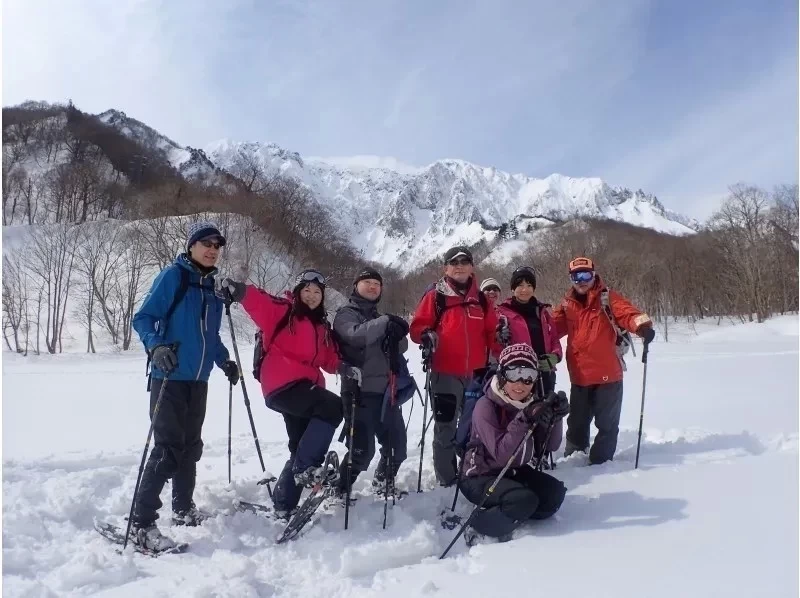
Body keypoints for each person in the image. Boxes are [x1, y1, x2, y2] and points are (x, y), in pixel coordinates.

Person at [130, 221, 240, 551]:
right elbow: (143, 318)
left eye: (217, 245)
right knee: (167, 450)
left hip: (198, 380)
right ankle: (141, 523)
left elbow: (210, 337)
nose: (211, 249)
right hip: (169, 377)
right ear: (191, 246)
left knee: (190, 447)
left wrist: (224, 361)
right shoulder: (173, 277)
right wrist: (156, 346)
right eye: (205, 243)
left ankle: (183, 509)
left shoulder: (211, 290)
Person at [219, 269, 350, 516]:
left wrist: (343, 366)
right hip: (282, 385)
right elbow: (260, 302)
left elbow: (328, 359)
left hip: (306, 390)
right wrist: (239, 290)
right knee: (333, 407)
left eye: (317, 292)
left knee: (300, 446)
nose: (311, 296)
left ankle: (284, 504)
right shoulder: (284, 310)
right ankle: (306, 468)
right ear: (298, 292)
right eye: (307, 291)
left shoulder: (322, 326)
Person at [460, 343, 568, 546]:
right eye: (514, 373)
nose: (521, 382)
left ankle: (510, 512)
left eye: (528, 374)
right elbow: (501, 455)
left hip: (512, 471)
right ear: (502, 375)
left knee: (553, 495)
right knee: (523, 501)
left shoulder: (530, 403)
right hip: (478, 476)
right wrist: (524, 419)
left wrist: (555, 417)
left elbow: (550, 446)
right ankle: (476, 524)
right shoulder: (485, 406)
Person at [410, 246, 500, 487]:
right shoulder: (436, 297)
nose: (459, 265)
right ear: (446, 268)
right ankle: (447, 478)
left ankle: (472, 467)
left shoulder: (480, 299)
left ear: (472, 266)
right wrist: (426, 334)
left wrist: (505, 351)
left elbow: (492, 333)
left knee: (475, 425)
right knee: (446, 427)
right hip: (445, 374)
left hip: (477, 375)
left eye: (464, 261)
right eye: (453, 262)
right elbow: (417, 329)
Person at [552, 257, 655, 465]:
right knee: (577, 422)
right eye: (576, 276)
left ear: (593, 275)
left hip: (608, 374)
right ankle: (574, 459)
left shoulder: (608, 298)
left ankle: (601, 462)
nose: (581, 281)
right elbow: (551, 328)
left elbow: (629, 314)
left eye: (585, 275)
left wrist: (642, 327)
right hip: (580, 374)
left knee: (606, 423)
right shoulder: (567, 304)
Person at [333, 267, 415, 498]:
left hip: (386, 393)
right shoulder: (345, 314)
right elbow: (354, 335)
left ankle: (383, 483)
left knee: (397, 448)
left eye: (376, 284)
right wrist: (387, 323)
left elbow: (399, 348)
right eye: (367, 282)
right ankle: (339, 492)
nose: (372, 286)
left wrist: (396, 335)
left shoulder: (378, 318)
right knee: (361, 452)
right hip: (358, 392)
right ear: (356, 286)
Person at [495, 266, 564, 461]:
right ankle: (524, 452)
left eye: (528, 285)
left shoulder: (543, 311)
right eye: (519, 285)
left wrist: (555, 357)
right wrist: (499, 337)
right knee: (524, 413)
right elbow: (495, 346)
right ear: (512, 288)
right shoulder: (503, 313)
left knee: (547, 410)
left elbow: (554, 339)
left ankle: (543, 451)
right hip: (520, 374)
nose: (524, 289)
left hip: (545, 370)